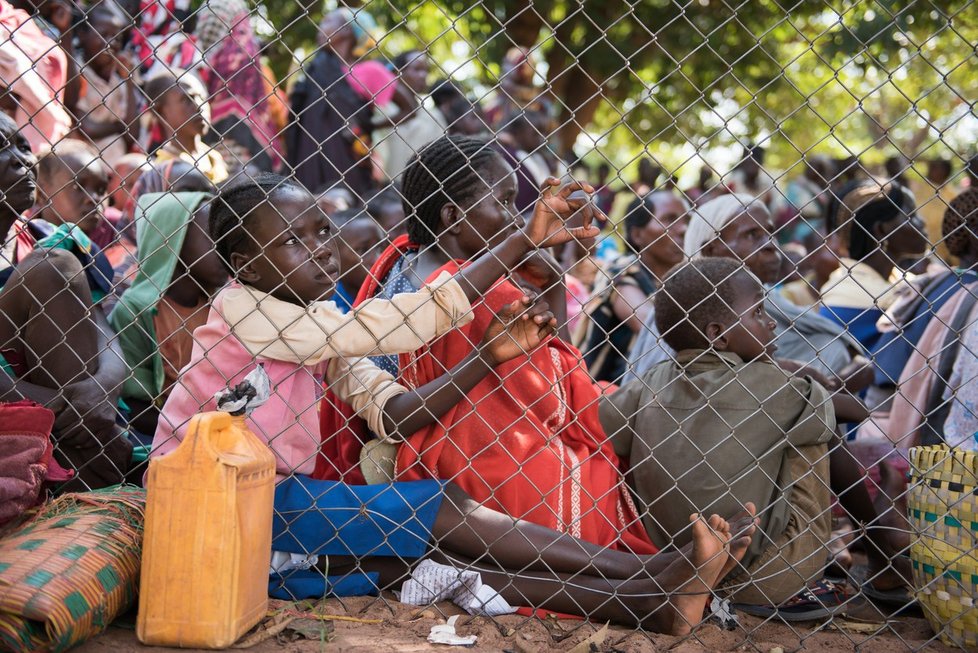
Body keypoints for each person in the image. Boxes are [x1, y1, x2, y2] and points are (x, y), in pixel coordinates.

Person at [148, 174, 743, 633]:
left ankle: (649, 602)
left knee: (440, 562)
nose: (321, 250)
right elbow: (398, 322)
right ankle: (644, 573)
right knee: (438, 512)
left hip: (270, 512)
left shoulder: (312, 322)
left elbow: (393, 409)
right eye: (292, 241)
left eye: (321, 231)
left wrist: (486, 356)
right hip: (216, 504)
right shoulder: (247, 311)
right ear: (246, 266)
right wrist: (521, 242)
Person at [323, 135, 655, 554]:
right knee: (621, 437)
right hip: (492, 460)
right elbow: (565, 397)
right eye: (504, 201)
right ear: (454, 216)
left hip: (432, 458)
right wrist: (550, 285)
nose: (517, 217)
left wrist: (549, 280)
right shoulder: (492, 296)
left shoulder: (401, 263)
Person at [602, 257, 865, 609]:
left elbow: (606, 430)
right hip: (767, 577)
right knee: (816, 418)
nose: (771, 323)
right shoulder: (774, 387)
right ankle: (876, 536)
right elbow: (857, 410)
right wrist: (804, 380)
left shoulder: (648, 382)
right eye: (758, 313)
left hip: (671, 565)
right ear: (718, 335)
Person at [0, 112, 130, 489]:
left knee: (56, 261)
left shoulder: (50, 237)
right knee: (51, 268)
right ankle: (93, 471)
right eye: (1, 148)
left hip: (68, 396)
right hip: (29, 398)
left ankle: (80, 471)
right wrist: (62, 405)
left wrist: (102, 387)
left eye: (24, 146)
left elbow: (101, 329)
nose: (21, 159)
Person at [109, 190, 227, 438]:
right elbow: (132, 402)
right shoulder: (136, 310)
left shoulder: (221, 307)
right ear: (172, 240)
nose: (226, 251)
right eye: (214, 238)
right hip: (157, 433)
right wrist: (191, 431)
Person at [286, 9, 413, 198]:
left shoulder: (370, 71)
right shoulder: (315, 69)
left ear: (346, 29)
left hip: (349, 163)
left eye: (327, 21)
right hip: (307, 162)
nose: (320, 28)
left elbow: (410, 108)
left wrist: (368, 125)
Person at [580, 192, 688, 384]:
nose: (684, 229)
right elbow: (652, 328)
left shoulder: (684, 277)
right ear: (638, 235)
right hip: (604, 392)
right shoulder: (621, 271)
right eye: (670, 220)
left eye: (686, 220)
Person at [819, 180, 928, 352]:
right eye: (911, 216)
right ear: (882, 231)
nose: (923, 222)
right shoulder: (847, 298)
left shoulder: (897, 278)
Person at [196, 0, 283, 172]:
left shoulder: (218, 5)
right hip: (246, 137)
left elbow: (205, 42)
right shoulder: (251, 60)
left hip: (221, 128)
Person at [73, 0, 140, 166]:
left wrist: (129, 80)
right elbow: (85, 126)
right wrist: (119, 127)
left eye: (117, 38)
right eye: (103, 34)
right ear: (82, 35)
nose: (111, 43)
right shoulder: (76, 74)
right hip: (82, 166)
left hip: (115, 170)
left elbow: (133, 133)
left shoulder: (119, 83)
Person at [0, 0, 71, 151]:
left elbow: (73, 98)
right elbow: (8, 97)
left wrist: (66, 31)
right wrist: (48, 109)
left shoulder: (20, 19)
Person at [143, 70, 229, 184]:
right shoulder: (166, 170)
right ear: (160, 111)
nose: (200, 106)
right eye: (188, 99)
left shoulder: (214, 157)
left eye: (203, 98)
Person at [378, 50, 445, 180]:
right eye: (417, 69)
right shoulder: (382, 110)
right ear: (398, 72)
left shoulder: (433, 115)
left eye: (426, 70)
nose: (423, 75)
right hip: (386, 188)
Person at [329, 207, 384, 312]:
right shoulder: (329, 306)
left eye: (380, 247)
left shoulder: (396, 289)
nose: (378, 259)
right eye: (363, 250)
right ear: (334, 257)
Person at [914, 158, 956, 263]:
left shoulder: (952, 194)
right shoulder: (921, 189)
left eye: (935, 166)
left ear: (945, 171)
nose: (930, 168)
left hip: (948, 253)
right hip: (924, 252)